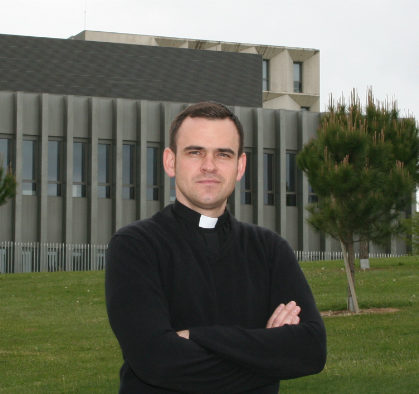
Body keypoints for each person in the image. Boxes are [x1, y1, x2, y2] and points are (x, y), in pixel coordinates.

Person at [105, 101, 326, 393]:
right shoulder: (135, 246)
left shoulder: (270, 250)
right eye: (195, 152)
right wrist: (268, 355)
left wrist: (196, 337)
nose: (209, 165)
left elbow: (311, 350)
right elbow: (156, 360)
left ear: (240, 166)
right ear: (170, 162)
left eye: (223, 154)